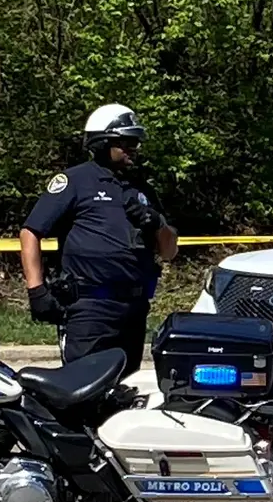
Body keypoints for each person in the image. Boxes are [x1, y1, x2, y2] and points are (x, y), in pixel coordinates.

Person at [19, 104, 178, 376]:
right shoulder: (75, 181)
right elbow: (30, 232)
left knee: (124, 387)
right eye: (126, 142)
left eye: (135, 142)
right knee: (82, 384)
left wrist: (156, 222)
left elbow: (169, 251)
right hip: (89, 308)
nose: (133, 148)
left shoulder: (142, 189)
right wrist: (36, 290)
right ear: (103, 143)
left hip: (133, 307)